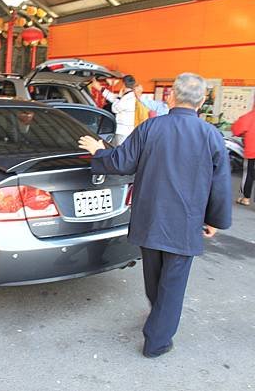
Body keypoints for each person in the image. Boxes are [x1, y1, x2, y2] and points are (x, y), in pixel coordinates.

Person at [78, 72, 232, 358]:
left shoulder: (151, 127)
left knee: (154, 274)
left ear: (171, 96)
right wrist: (215, 220)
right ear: (201, 103)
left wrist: (99, 150)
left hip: (150, 217)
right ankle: (157, 341)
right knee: (172, 282)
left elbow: (122, 162)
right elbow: (219, 184)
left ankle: (157, 318)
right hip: (185, 222)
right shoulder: (211, 135)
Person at [92, 75, 137, 144]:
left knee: (118, 151)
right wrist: (100, 88)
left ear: (123, 84)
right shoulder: (126, 96)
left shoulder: (129, 98)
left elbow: (114, 108)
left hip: (123, 131)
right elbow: (112, 97)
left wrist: (119, 96)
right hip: (121, 130)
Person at [232, 100, 255, 206]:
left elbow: (236, 129)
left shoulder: (250, 116)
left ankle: (246, 198)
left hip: (252, 152)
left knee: (248, 174)